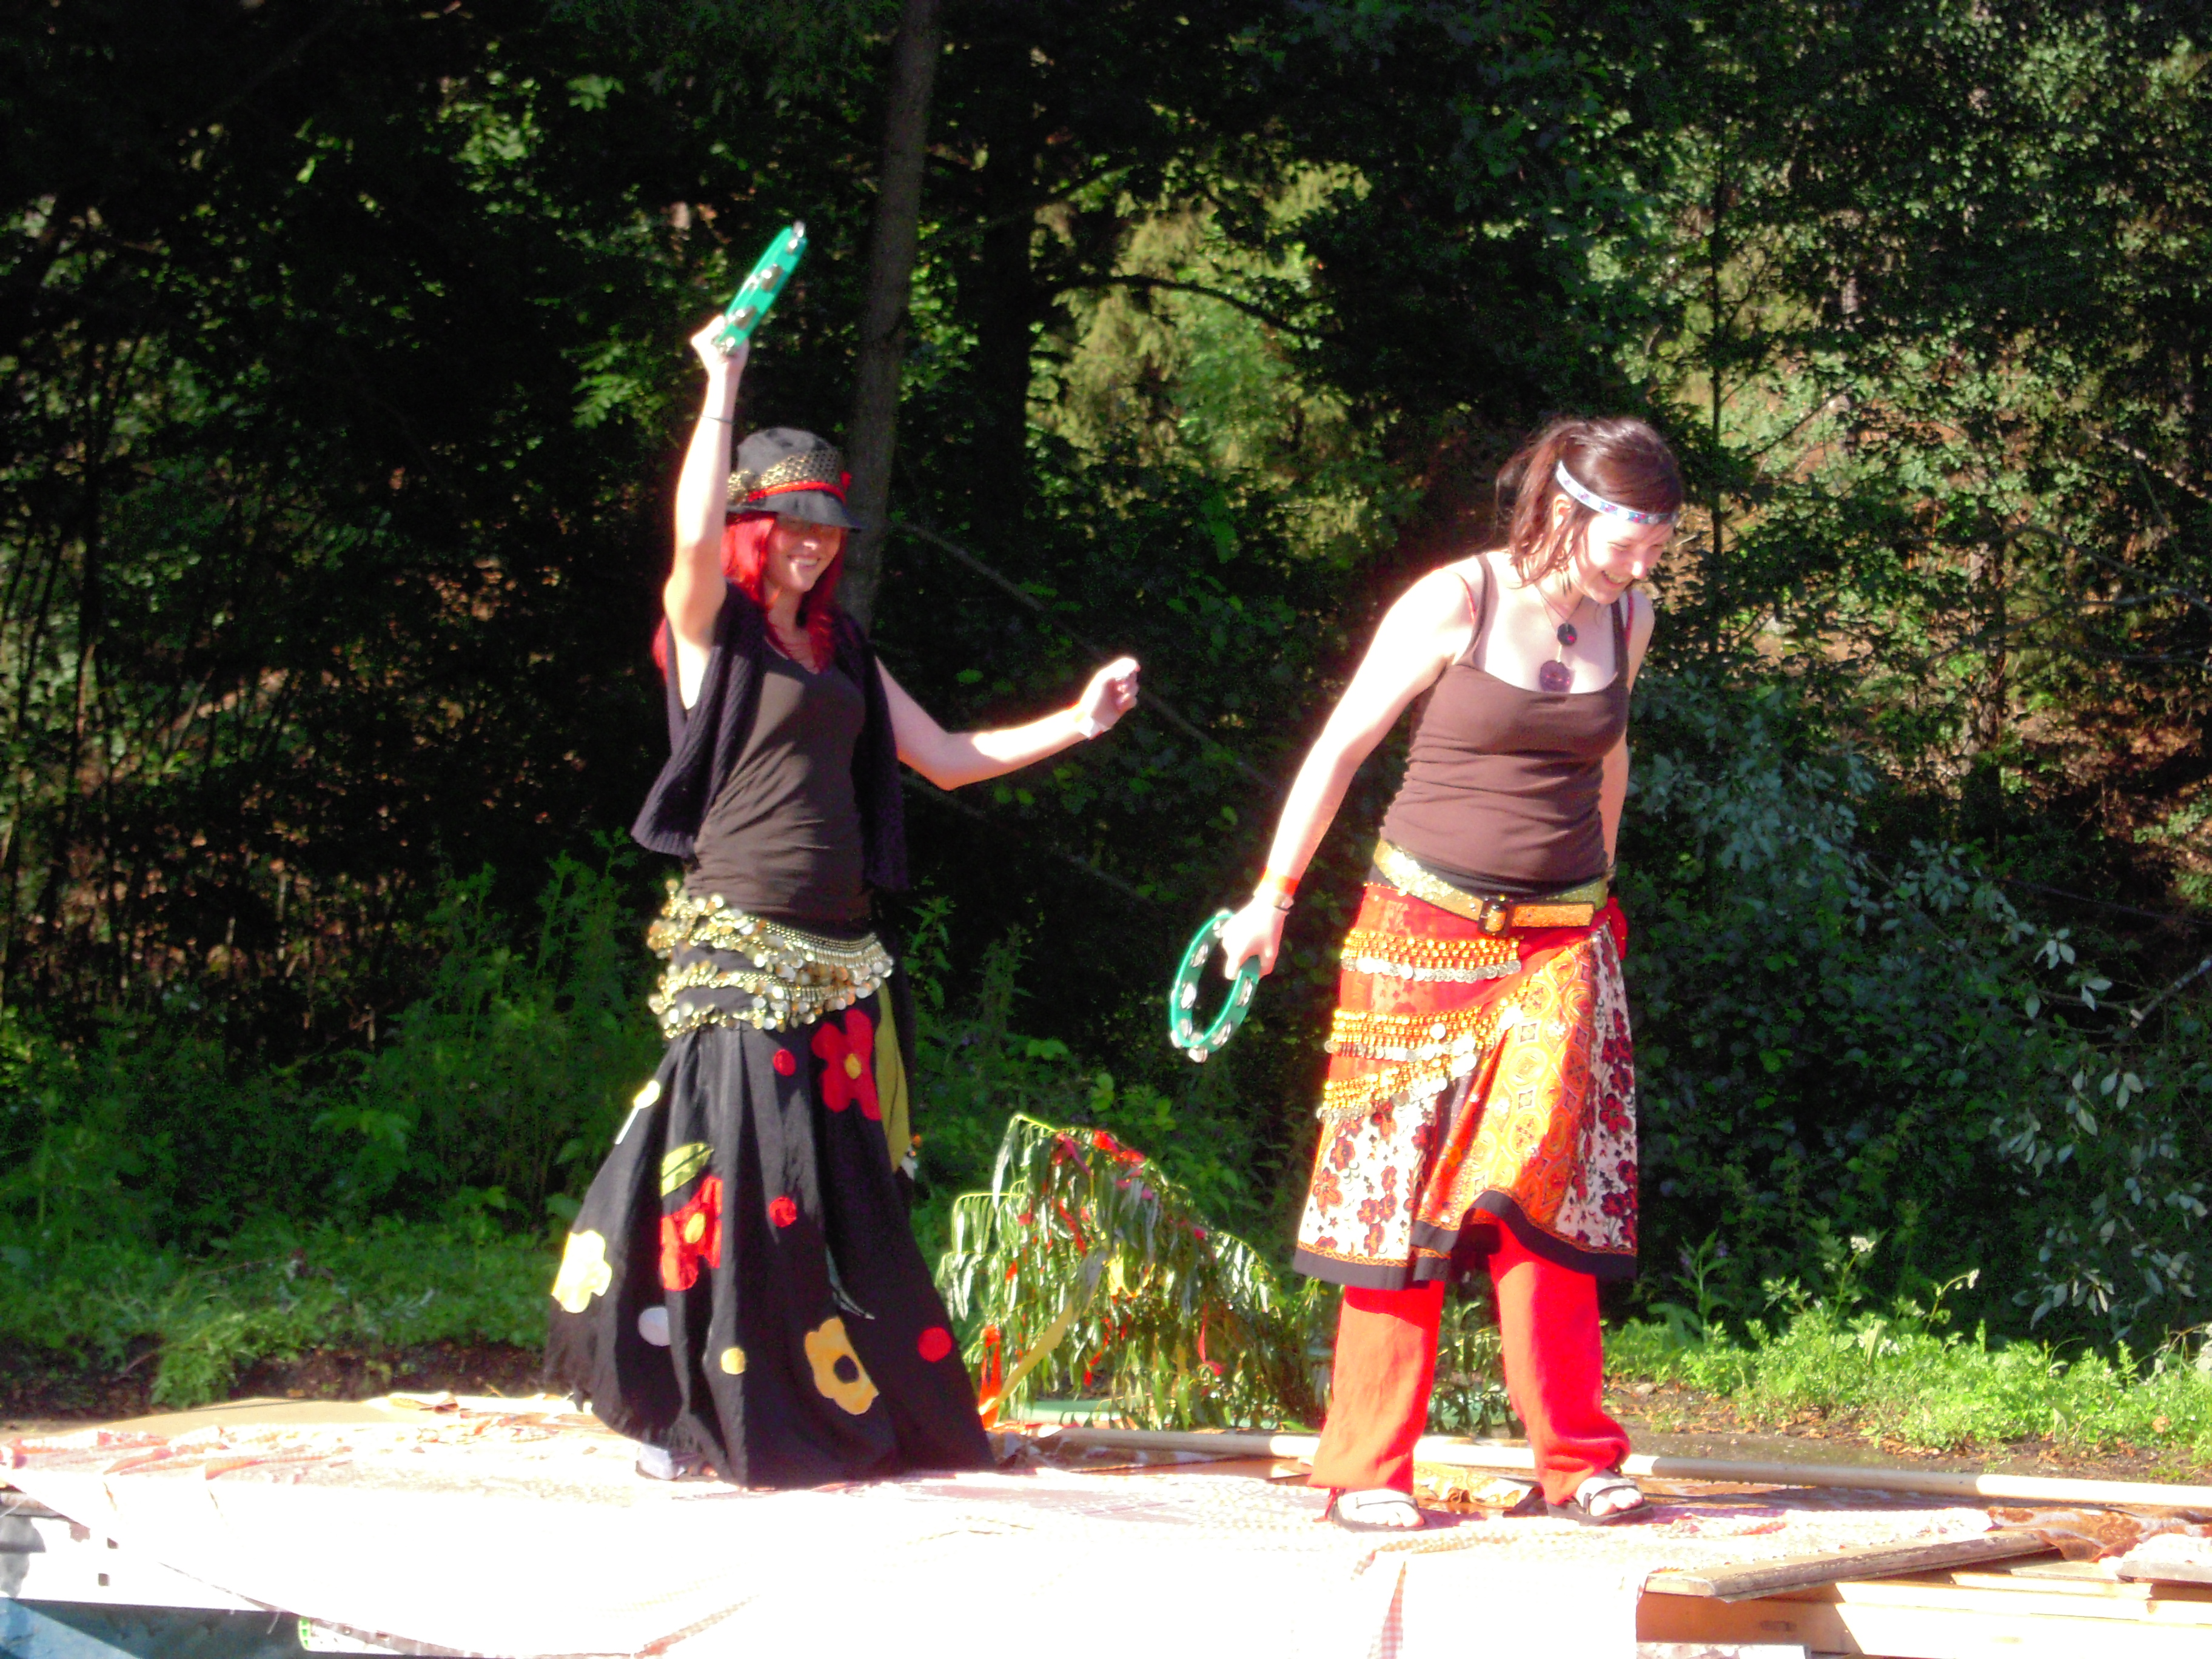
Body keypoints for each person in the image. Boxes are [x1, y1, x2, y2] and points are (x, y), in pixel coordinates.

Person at [545, 320, 1141, 1487]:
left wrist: (1078, 722)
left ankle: (853, 1413)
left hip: (842, 956)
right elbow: (688, 535)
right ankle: (687, 1413)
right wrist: (722, 379)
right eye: (794, 525)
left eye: (829, 528)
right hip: (740, 943)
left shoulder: (844, 649)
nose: (815, 546)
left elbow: (948, 758)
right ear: (754, 530)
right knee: (728, 1183)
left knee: (842, 1197)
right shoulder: (712, 634)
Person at [1218, 417, 1680, 1530]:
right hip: (1419, 929)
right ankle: (1365, 1472)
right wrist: (1271, 898)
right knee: (1397, 1196)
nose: (1642, 563)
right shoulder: (1455, 599)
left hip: (1559, 941)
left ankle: (1577, 1462)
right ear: (1567, 508)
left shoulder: (1632, 615)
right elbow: (1340, 748)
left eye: (1660, 543)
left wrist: (1603, 891)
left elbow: (1610, 755)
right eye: (1629, 540)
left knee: (1546, 1193)